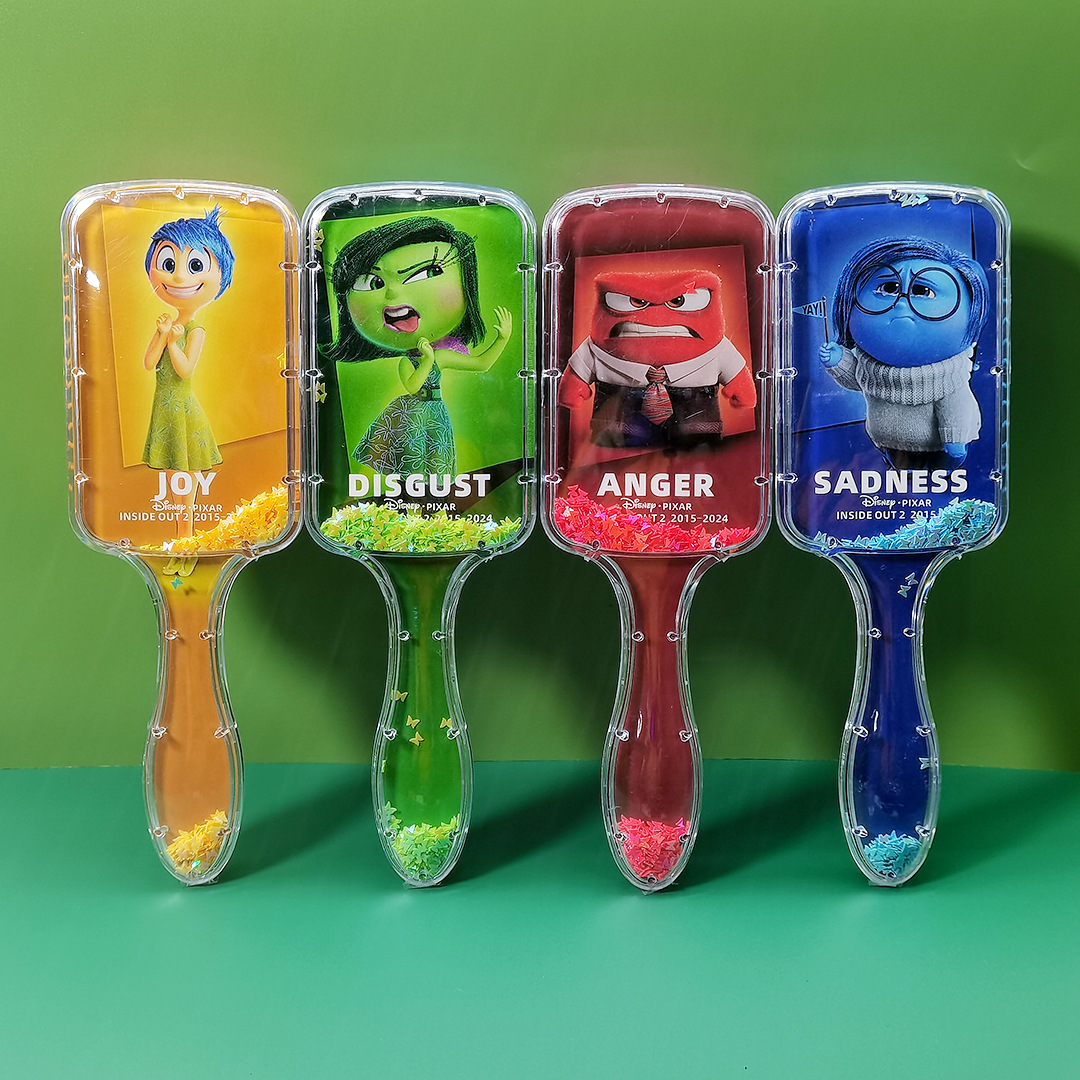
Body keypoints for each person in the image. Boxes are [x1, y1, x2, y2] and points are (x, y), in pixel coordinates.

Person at [326, 216, 512, 475]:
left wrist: (502, 338)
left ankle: (432, 493)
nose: (392, 294)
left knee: (436, 462)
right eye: (374, 283)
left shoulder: (442, 356)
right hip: (409, 415)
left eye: (426, 273)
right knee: (408, 463)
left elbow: (482, 364)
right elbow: (413, 386)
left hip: (435, 414)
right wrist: (427, 360)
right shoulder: (408, 361)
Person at [820, 237, 989, 471]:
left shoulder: (950, 379)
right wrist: (838, 361)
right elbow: (858, 379)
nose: (901, 303)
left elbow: (956, 407)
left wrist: (955, 441)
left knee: (940, 472)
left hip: (937, 447)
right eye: (888, 288)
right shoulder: (871, 368)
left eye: (922, 291)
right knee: (899, 472)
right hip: (887, 444)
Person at [142, 206, 235, 535]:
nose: (180, 278)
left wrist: (172, 342)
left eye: (195, 266)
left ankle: (187, 532)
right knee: (171, 473)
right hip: (163, 406)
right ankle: (182, 533)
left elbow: (185, 370)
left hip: (183, 407)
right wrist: (162, 335)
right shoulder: (167, 325)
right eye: (169, 265)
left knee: (187, 472)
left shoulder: (196, 331)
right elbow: (148, 363)